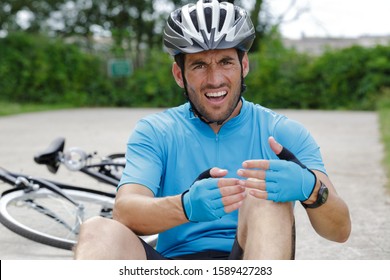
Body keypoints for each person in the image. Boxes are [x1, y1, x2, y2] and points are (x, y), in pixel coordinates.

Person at [74, 0, 351, 260]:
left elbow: (339, 230)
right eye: (199, 65)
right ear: (179, 75)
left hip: (250, 259)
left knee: (265, 199)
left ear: (244, 65)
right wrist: (185, 207)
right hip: (173, 263)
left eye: (226, 62)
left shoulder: (283, 132)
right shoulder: (155, 131)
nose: (215, 79)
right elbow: (125, 211)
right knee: (97, 230)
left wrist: (311, 189)